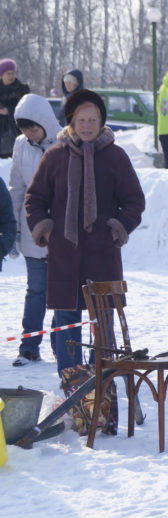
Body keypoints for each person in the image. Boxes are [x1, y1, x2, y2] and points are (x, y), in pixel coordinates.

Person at [25, 89, 146, 375]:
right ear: (71, 122)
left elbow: (134, 200)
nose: (88, 125)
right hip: (64, 256)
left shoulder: (115, 156)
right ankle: (72, 389)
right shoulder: (55, 157)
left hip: (103, 255)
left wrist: (118, 227)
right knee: (67, 322)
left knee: (103, 322)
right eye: (82, 120)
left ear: (102, 121)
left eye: (93, 119)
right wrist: (46, 229)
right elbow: (35, 199)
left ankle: (103, 389)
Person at [9, 93, 63, 366]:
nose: (29, 133)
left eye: (32, 127)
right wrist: (16, 233)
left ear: (44, 121)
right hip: (32, 230)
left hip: (61, 233)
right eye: (24, 129)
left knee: (62, 292)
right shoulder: (21, 146)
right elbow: (17, 188)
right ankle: (29, 346)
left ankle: (61, 344)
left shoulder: (64, 142)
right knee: (36, 290)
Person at [0, 58, 30, 158]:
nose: (11, 76)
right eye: (8, 73)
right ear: (1, 75)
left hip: (15, 131)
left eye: (13, 73)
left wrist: (8, 111)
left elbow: (25, 108)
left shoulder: (22, 89)